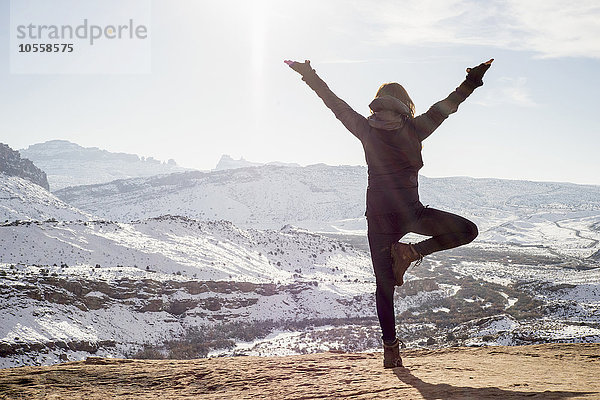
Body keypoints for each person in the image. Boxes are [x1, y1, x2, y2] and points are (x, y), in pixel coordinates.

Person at [285, 57, 493, 368]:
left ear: (380, 105)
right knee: (468, 230)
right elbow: (450, 104)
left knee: (384, 286)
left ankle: (391, 351)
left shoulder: (364, 128)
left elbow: (333, 102)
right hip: (411, 213)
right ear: (404, 104)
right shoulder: (416, 128)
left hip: (379, 220)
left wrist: (308, 74)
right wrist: (473, 79)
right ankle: (412, 252)